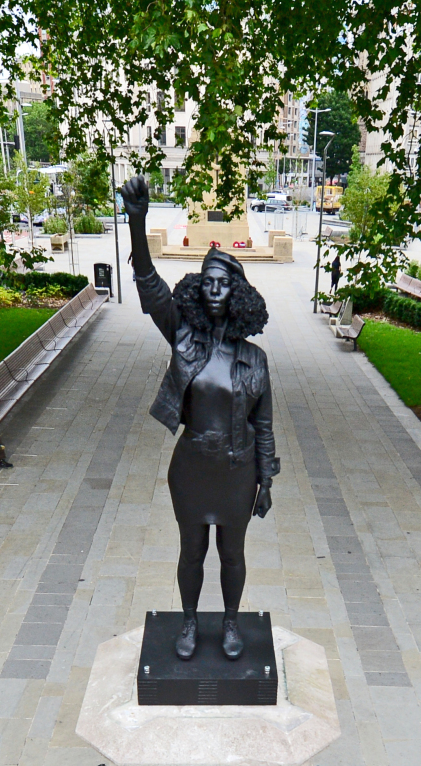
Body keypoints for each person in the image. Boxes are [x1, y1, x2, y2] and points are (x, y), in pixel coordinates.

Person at [121, 173, 278, 662]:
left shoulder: (255, 359)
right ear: (198, 288)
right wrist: (139, 222)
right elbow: (149, 288)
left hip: (237, 470)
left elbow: (265, 424)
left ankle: (230, 623)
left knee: (232, 554)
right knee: (192, 552)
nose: (214, 291)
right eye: (207, 283)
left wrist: (267, 480)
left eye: (223, 284)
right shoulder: (183, 336)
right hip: (191, 467)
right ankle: (189, 621)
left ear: (237, 294)